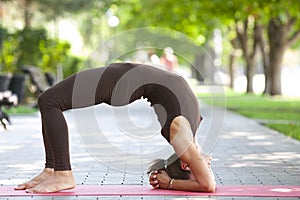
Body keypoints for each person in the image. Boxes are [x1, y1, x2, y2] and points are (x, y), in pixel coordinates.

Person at [14, 62, 216, 193]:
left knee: (49, 101)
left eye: (201, 169)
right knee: (47, 100)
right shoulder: (191, 139)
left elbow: (208, 185)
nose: (210, 164)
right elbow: (202, 175)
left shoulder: (181, 138)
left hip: (122, 82)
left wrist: (170, 183)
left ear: (186, 165)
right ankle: (51, 170)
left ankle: (62, 173)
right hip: (125, 77)